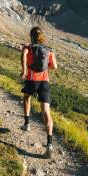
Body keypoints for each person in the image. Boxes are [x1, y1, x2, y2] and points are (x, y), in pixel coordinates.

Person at [20, 26, 57, 159]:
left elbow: (24, 56)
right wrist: (45, 64)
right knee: (46, 112)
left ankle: (27, 124)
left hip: (31, 79)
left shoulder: (28, 48)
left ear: (31, 35)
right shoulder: (49, 50)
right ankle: (49, 144)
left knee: (26, 98)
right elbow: (54, 66)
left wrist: (24, 70)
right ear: (41, 36)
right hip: (44, 82)